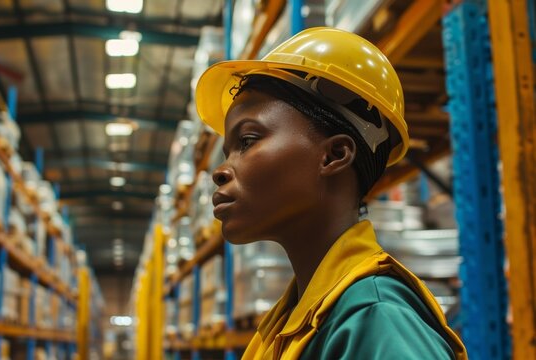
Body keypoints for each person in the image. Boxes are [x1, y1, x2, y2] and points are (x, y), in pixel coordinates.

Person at [195, 27, 467, 359]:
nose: (221, 171)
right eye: (227, 152)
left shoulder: (376, 319)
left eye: (248, 141)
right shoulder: (289, 325)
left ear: (334, 155)